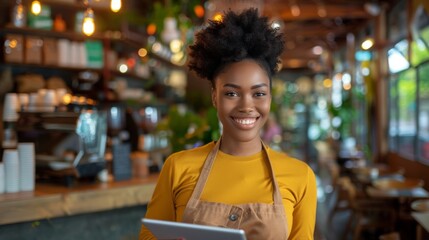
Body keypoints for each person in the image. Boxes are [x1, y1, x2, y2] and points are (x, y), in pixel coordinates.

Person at [139, 8, 317, 240]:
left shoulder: (300, 176)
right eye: (232, 93)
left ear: (270, 98)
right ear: (215, 96)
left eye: (259, 94)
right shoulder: (177, 168)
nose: (246, 106)